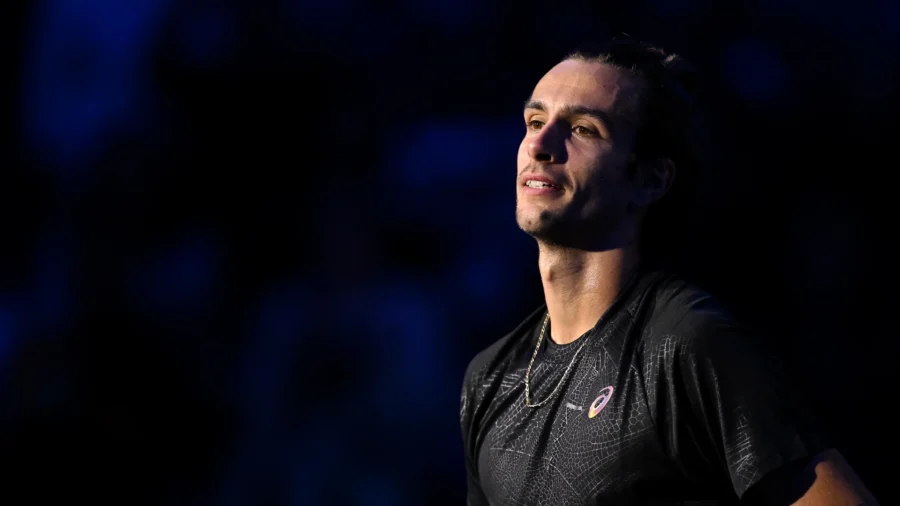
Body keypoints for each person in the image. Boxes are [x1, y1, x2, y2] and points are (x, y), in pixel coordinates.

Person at [459, 37, 878, 505]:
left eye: (582, 129)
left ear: (650, 179)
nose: (539, 144)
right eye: (535, 121)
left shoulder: (688, 342)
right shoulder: (490, 377)